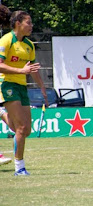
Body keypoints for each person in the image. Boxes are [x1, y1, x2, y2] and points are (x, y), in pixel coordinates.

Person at [0, 10, 48, 176]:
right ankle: (19, 167)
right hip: (7, 85)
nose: (31, 26)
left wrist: (42, 87)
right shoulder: (6, 40)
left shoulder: (29, 45)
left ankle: (2, 114)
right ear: (18, 23)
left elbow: (32, 70)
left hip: (22, 87)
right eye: (29, 22)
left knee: (25, 130)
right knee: (20, 127)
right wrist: (21, 70)